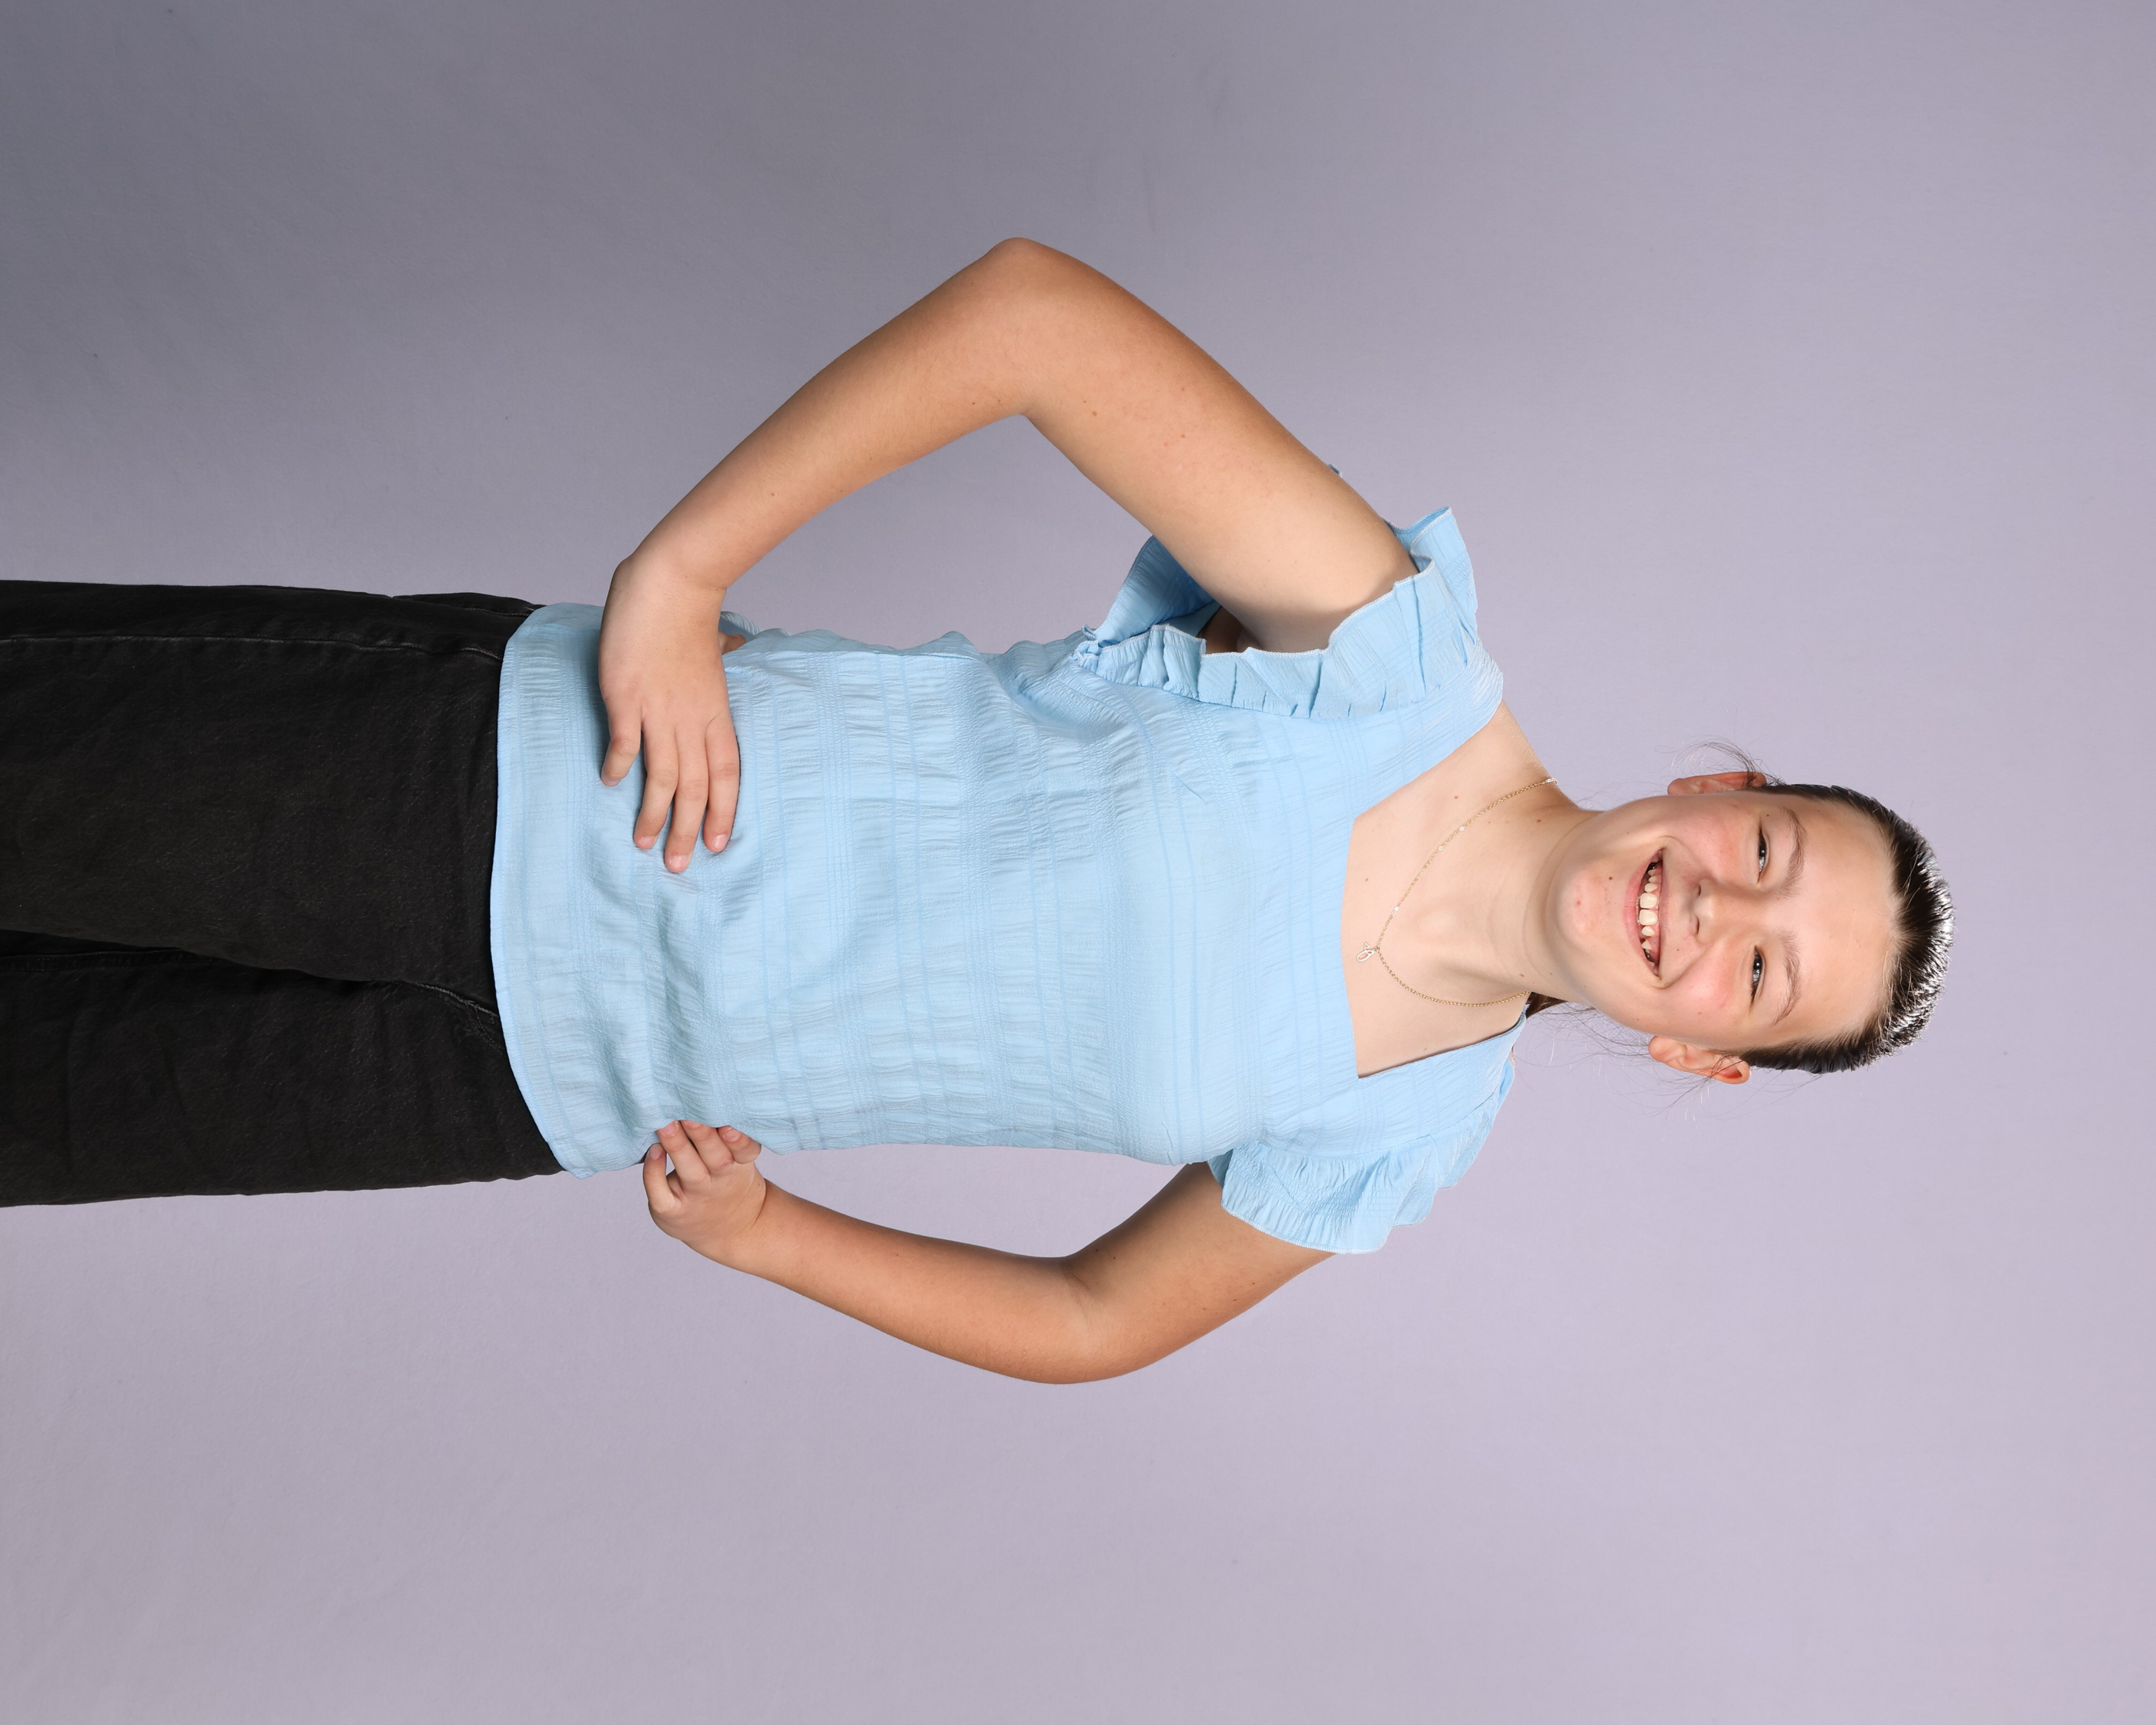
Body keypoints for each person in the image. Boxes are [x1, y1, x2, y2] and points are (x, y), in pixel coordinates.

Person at [0, 239, 1950, 1382]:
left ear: (1704, 1056)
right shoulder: (1387, 661)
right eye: (1759, 858)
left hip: (509, 1087)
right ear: (1718, 787)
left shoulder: (1395, 1137)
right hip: (492, 787)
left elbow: (1097, 1320)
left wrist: (778, 1240)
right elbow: (1034, 319)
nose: (1708, 915)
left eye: (1757, 977)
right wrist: (680, 577)